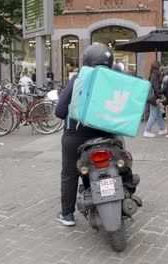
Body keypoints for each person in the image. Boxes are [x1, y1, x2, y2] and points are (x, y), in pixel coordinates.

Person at [54, 43, 114, 226]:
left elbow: (59, 111)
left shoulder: (77, 80)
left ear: (87, 61)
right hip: (106, 136)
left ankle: (67, 215)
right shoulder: (115, 81)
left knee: (70, 174)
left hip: (76, 137)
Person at [144, 61, 166, 137]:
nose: (161, 67)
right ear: (158, 67)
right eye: (160, 66)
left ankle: (162, 129)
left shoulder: (152, 74)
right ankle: (147, 130)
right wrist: (159, 96)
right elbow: (156, 88)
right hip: (154, 98)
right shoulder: (155, 75)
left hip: (152, 97)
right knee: (153, 114)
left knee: (159, 114)